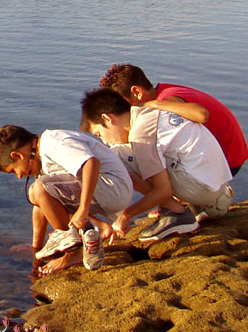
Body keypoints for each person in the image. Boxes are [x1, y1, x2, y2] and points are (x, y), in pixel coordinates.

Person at [80, 88, 232, 242]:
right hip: (215, 184)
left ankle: (177, 214)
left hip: (200, 188)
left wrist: (125, 215)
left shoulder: (141, 133)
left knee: (116, 157)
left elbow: (163, 190)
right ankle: (197, 206)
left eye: (99, 134)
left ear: (107, 118)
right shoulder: (150, 114)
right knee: (131, 153)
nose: (105, 142)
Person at [0, 124, 133, 271]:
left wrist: (83, 209)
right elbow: (41, 207)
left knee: (38, 190)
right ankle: (99, 227)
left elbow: (91, 163)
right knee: (38, 194)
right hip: (109, 192)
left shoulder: (52, 143)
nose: (19, 176)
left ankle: (73, 252)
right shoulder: (40, 161)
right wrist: (36, 249)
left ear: (17, 155)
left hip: (112, 185)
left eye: (14, 171)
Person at [100, 63, 248, 176]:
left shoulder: (167, 99)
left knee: (139, 156)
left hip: (227, 161)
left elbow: (201, 114)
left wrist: (154, 104)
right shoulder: (164, 89)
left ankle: (173, 204)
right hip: (229, 155)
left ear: (136, 92)